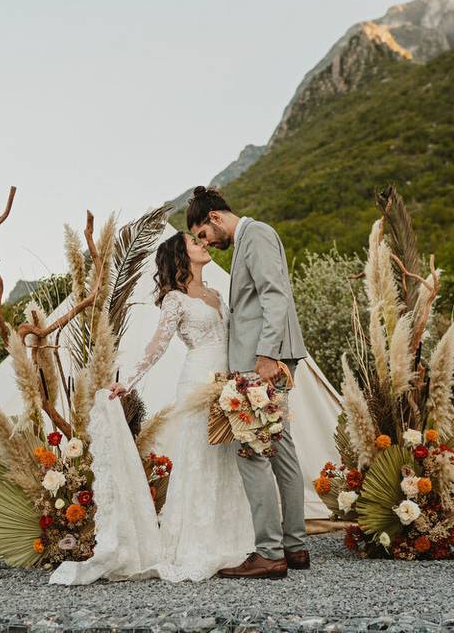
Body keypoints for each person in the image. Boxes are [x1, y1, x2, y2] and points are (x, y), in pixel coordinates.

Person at [105, 229, 256, 582]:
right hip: (198, 382)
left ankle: (235, 540)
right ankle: (198, 542)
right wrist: (126, 382)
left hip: (229, 383)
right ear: (180, 255)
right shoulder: (174, 299)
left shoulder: (218, 293)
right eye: (195, 242)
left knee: (230, 459)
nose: (204, 244)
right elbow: (156, 346)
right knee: (201, 457)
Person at [187, 185, 310, 579]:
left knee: (253, 452)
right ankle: (295, 547)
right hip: (266, 355)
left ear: (215, 219)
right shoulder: (248, 240)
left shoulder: (255, 234)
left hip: (263, 360)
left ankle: (269, 553)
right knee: (281, 449)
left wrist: (266, 355)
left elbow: (276, 295)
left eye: (203, 234)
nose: (206, 243)